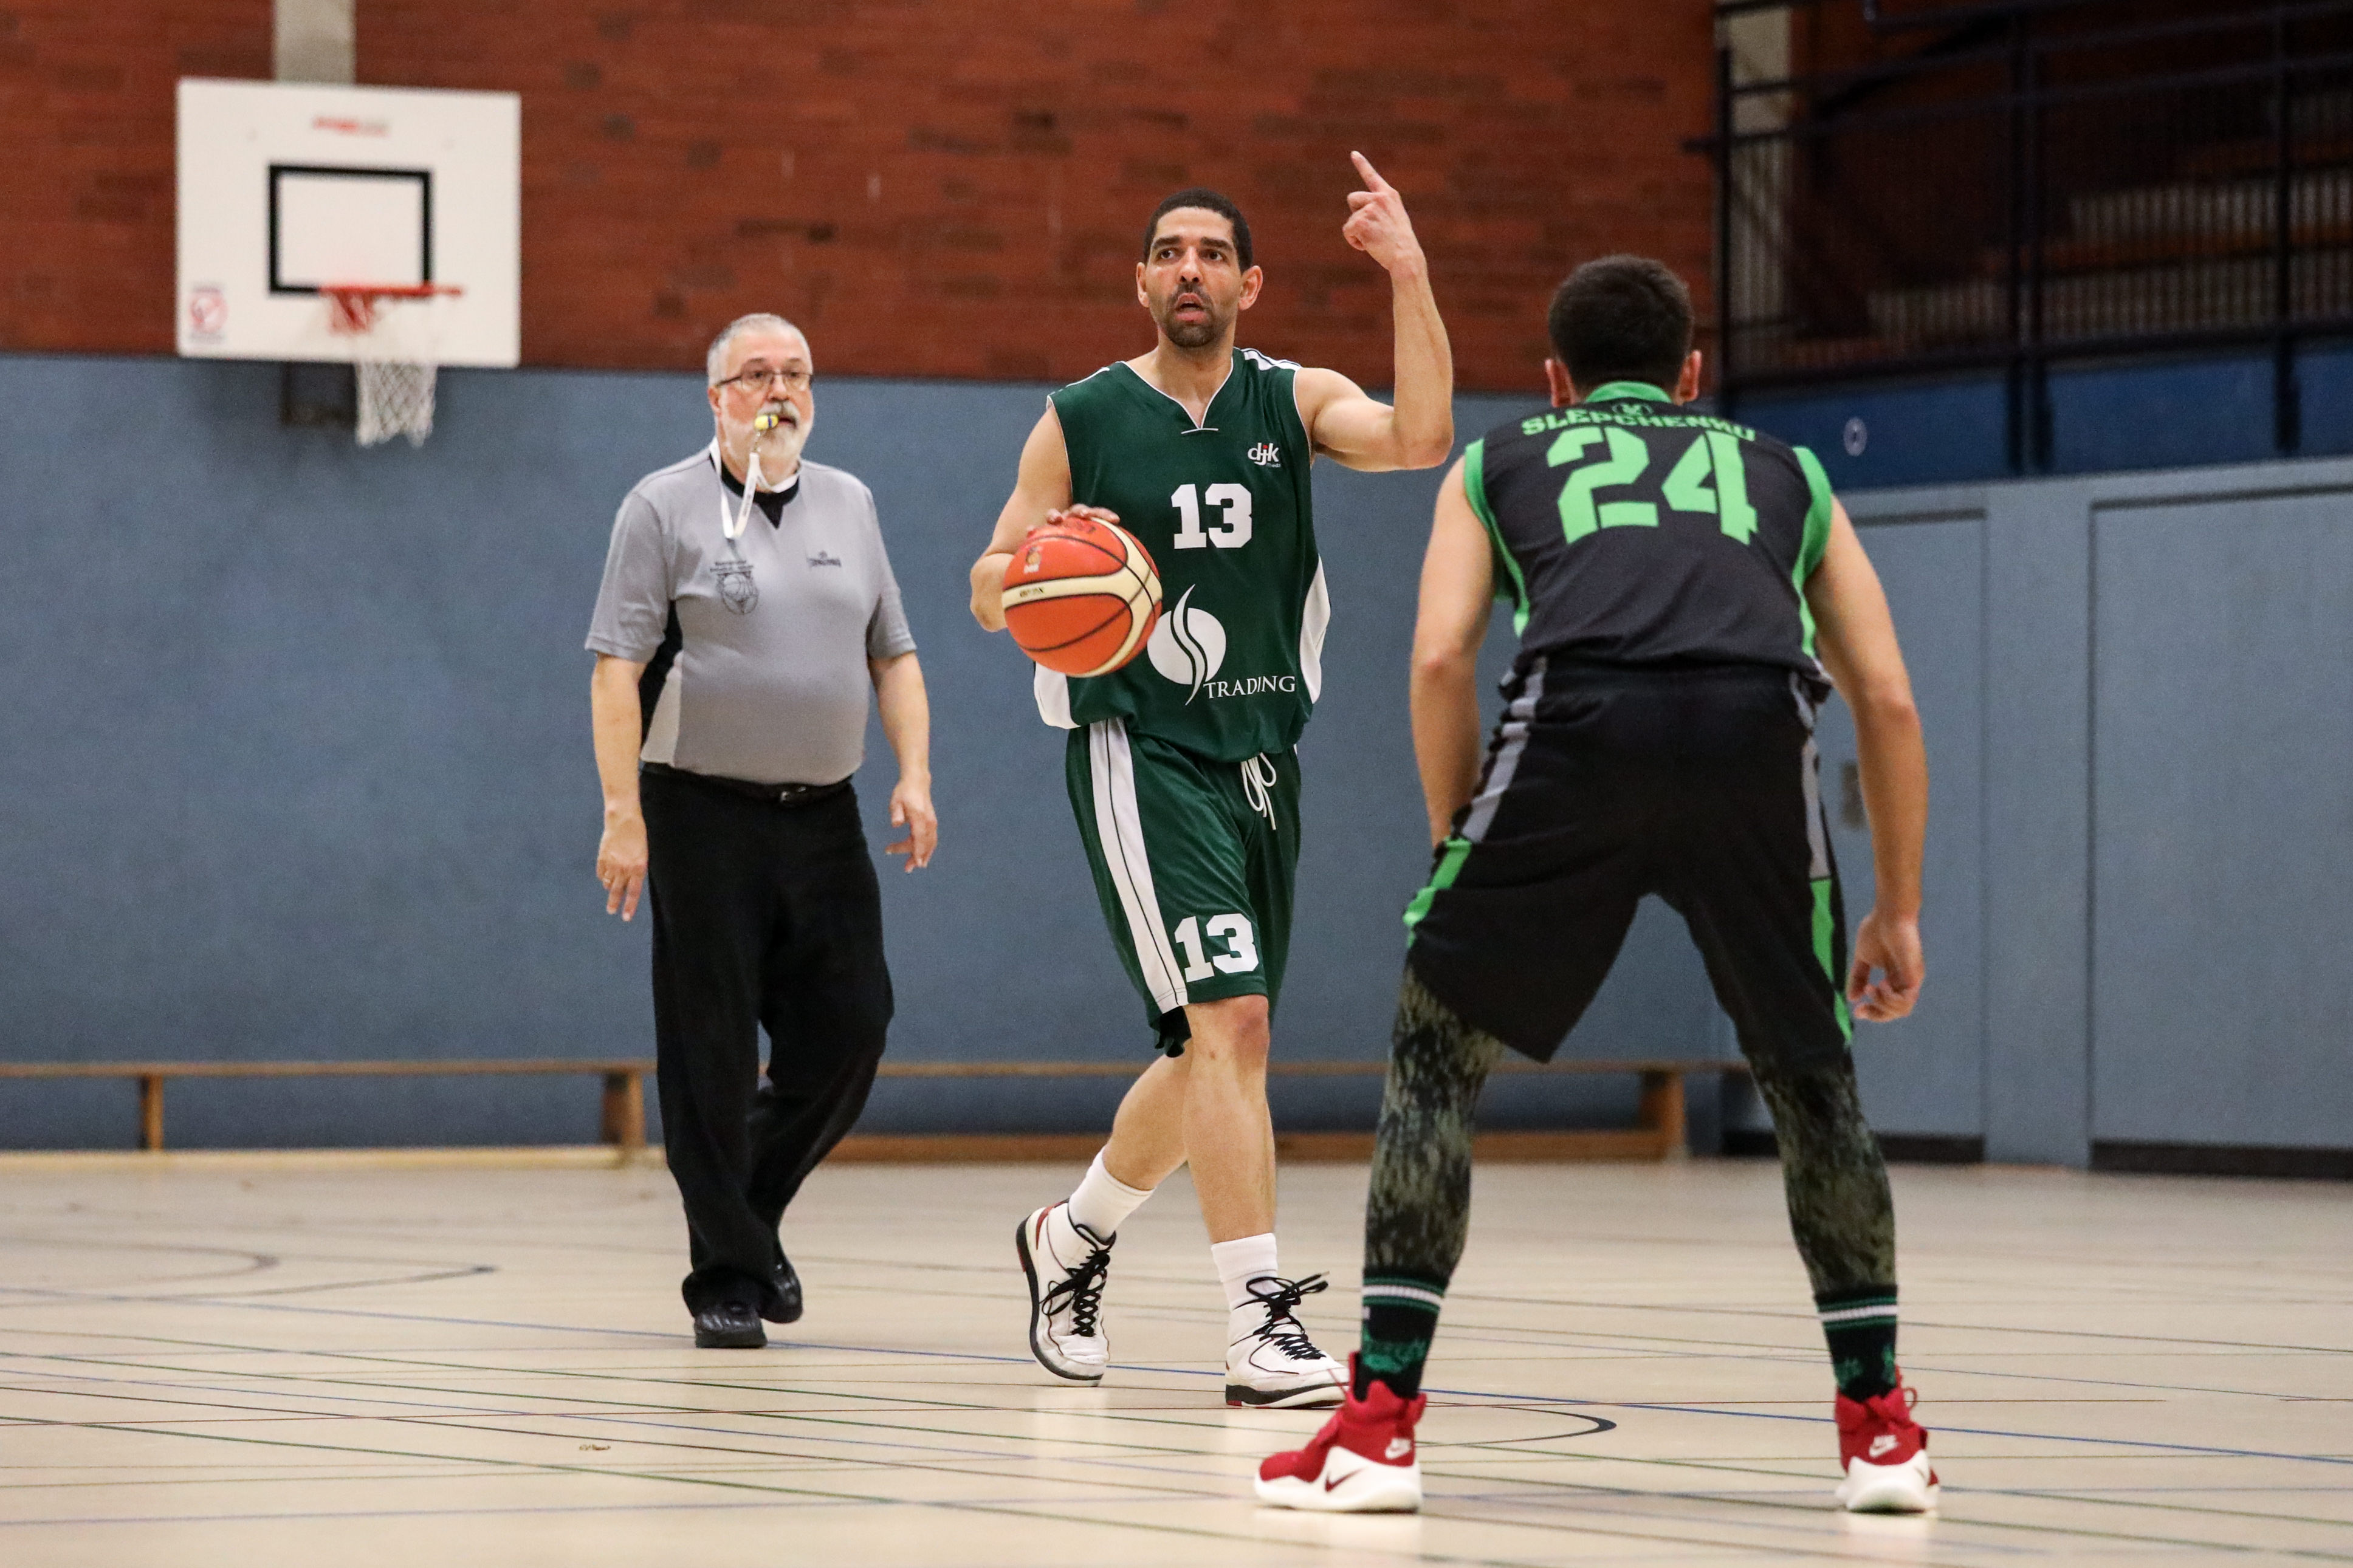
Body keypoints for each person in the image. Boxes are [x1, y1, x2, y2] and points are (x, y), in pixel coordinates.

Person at [1256, 255, 1937, 1511]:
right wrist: (1895, 908)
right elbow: (1887, 699)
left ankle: (1379, 1427)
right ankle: (1881, 1430)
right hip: (1753, 736)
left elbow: (1440, 656)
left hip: (1579, 729)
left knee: (1434, 1065)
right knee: (1814, 1087)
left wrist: (1454, 832)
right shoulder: (1789, 470)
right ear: (1693, 375)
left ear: (1556, 381)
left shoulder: (1498, 460)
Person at [968, 159, 1455, 1408]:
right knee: (1233, 1026)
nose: (1190, 269)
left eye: (1213, 253)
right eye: (1169, 252)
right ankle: (1257, 1324)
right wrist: (1044, 576)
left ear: (1250, 283)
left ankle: (1070, 1235)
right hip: (1142, 746)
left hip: (1262, 759)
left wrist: (1407, 273)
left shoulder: (1292, 399)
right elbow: (987, 580)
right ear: (1141, 281)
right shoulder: (1081, 417)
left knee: (1210, 1051)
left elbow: (1419, 438)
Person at [586, 313, 937, 1350]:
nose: (778, 391)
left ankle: (745, 1208)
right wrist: (622, 812)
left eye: (795, 374)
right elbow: (615, 671)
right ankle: (727, 1276)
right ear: (716, 398)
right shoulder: (661, 506)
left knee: (854, 1025)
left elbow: (894, 654)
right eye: (755, 375)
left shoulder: (851, 503)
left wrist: (915, 774)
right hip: (700, 812)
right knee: (711, 1049)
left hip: (824, 813)